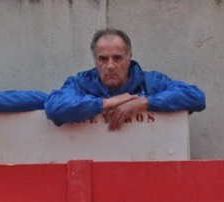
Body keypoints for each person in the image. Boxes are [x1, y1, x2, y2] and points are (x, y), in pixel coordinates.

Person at [45, 28, 206, 130]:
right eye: (103, 59)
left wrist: (144, 103)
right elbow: (54, 106)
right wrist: (105, 104)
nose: (110, 65)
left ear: (129, 58)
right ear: (95, 60)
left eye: (117, 58)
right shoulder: (80, 83)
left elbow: (196, 97)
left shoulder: (150, 82)